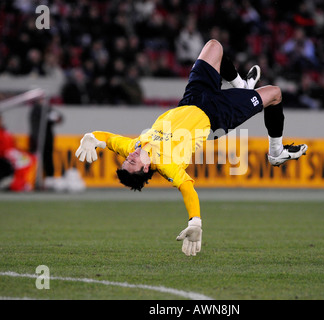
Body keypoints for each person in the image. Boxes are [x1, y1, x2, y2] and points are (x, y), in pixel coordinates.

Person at [75, 39, 308, 256]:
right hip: (216, 116)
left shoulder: (133, 147)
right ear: (146, 169)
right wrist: (195, 221)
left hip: (192, 99)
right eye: (133, 161)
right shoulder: (167, 165)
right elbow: (188, 189)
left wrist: (91, 137)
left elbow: (109, 139)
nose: (132, 155)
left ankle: (242, 85)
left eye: (128, 159)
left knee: (214, 45)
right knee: (275, 93)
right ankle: (276, 152)